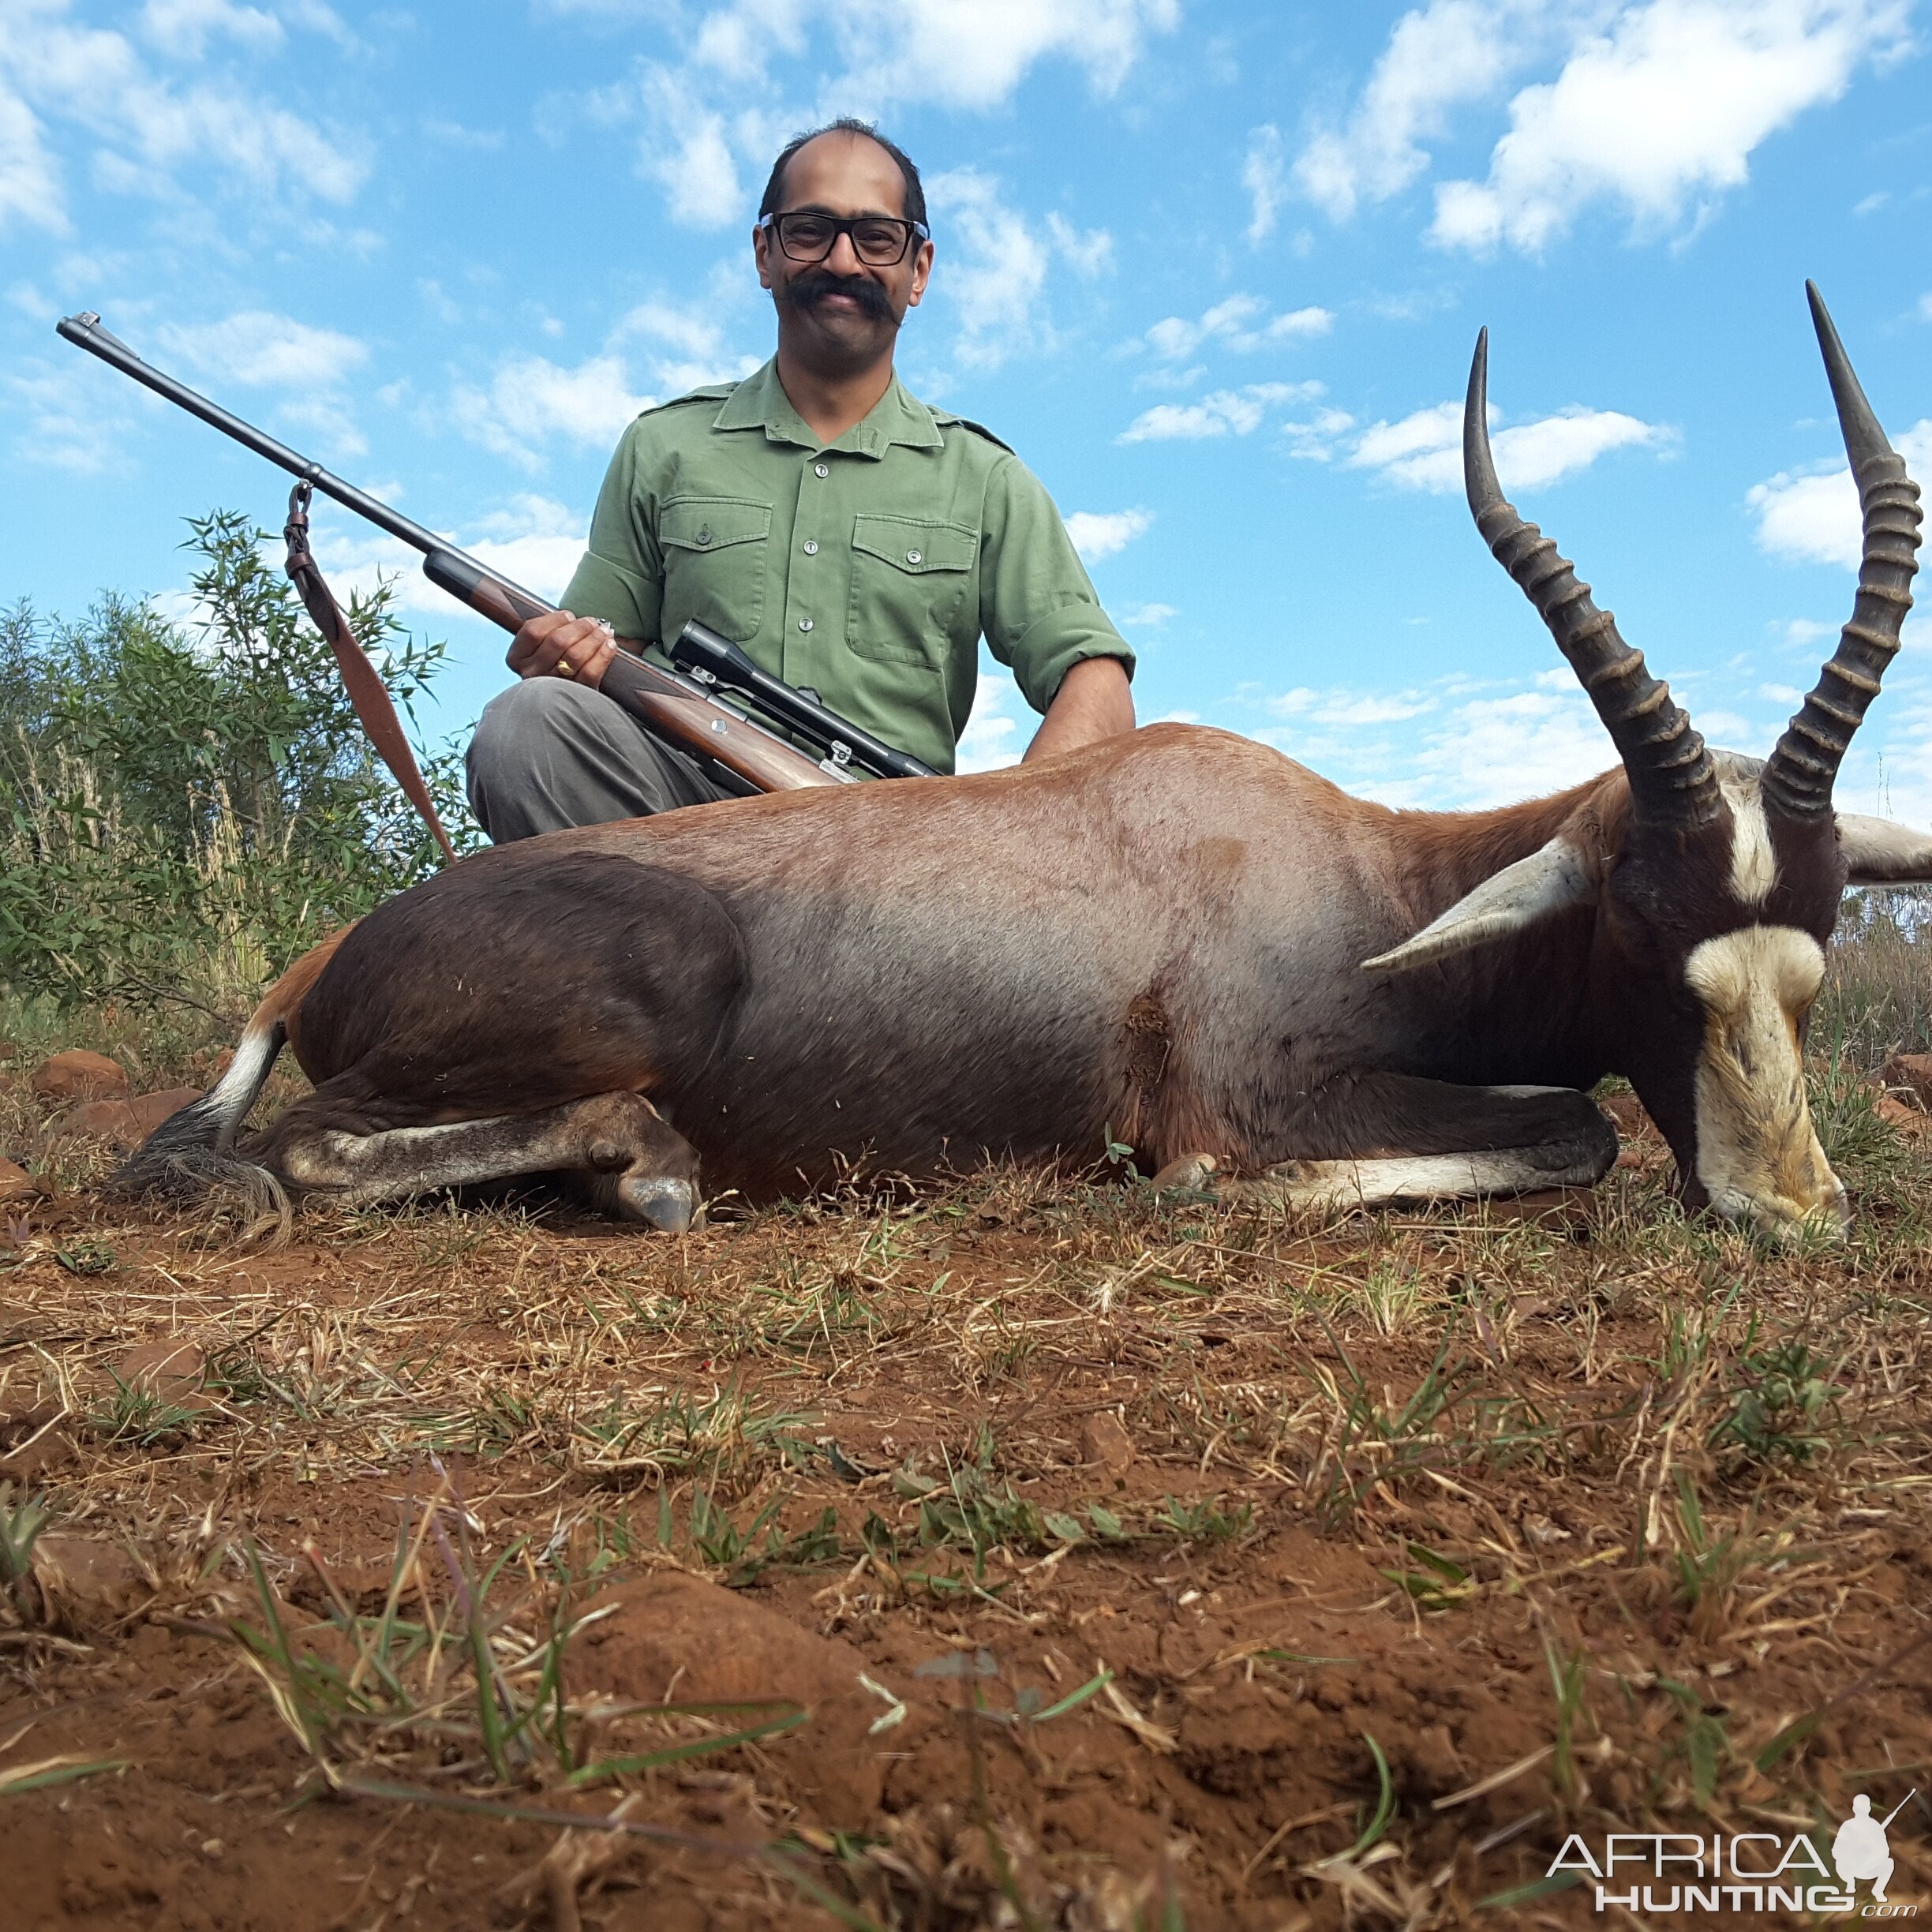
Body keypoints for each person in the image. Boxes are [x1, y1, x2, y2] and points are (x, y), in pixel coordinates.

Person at [467, 117, 1136, 842]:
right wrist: (567, 657)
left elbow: (1093, 674)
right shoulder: (662, 445)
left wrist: (999, 840)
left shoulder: (987, 479)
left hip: (892, 850)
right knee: (525, 726)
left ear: (919, 270)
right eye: (811, 230)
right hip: (678, 828)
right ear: (765, 252)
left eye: (877, 238)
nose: (844, 261)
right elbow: (607, 647)